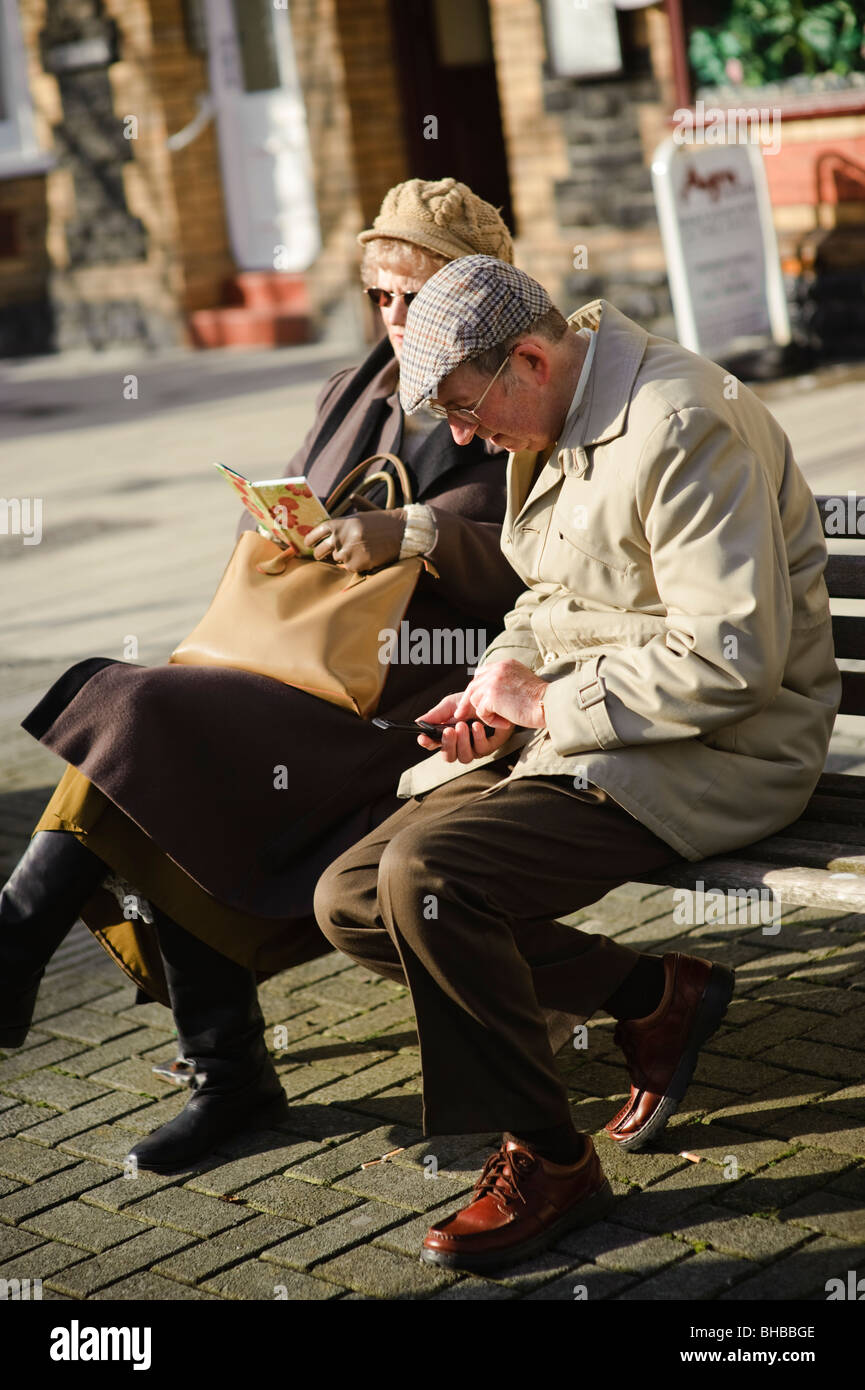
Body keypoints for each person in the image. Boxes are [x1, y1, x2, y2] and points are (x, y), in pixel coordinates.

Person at [313, 254, 842, 1273]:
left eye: (467, 410)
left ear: (526, 357)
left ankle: (551, 1159)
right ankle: (651, 995)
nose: (464, 437)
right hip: (589, 731)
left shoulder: (680, 422)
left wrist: (549, 703)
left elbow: (733, 657)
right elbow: (542, 597)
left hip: (720, 745)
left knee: (427, 879)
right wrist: (498, 684)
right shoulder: (550, 412)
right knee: (348, 896)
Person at [0, 182, 523, 1172]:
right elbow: (281, 519)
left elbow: (539, 560)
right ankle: (214, 1067)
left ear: (476, 289)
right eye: (381, 297)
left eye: (418, 295)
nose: (397, 320)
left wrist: (411, 532)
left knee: (145, 716)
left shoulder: (517, 379)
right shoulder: (355, 385)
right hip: (288, 674)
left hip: (410, 696)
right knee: (157, 736)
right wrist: (287, 524)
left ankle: (141, 1015)